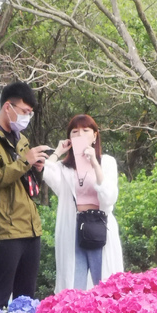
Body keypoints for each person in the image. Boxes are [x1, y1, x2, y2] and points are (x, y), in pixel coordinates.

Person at [0, 80, 50, 309]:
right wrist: (25, 162)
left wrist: (36, 169)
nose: (27, 117)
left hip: (29, 227)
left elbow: (23, 182)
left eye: (30, 114)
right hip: (4, 229)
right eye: (24, 111)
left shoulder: (20, 139)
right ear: (8, 107)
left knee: (26, 301)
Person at [44, 114, 123, 292]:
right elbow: (47, 173)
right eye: (75, 131)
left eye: (85, 130)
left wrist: (94, 163)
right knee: (74, 285)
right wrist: (58, 152)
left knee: (104, 284)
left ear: (95, 136)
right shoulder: (65, 168)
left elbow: (109, 198)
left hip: (99, 227)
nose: (80, 134)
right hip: (74, 227)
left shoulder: (107, 162)